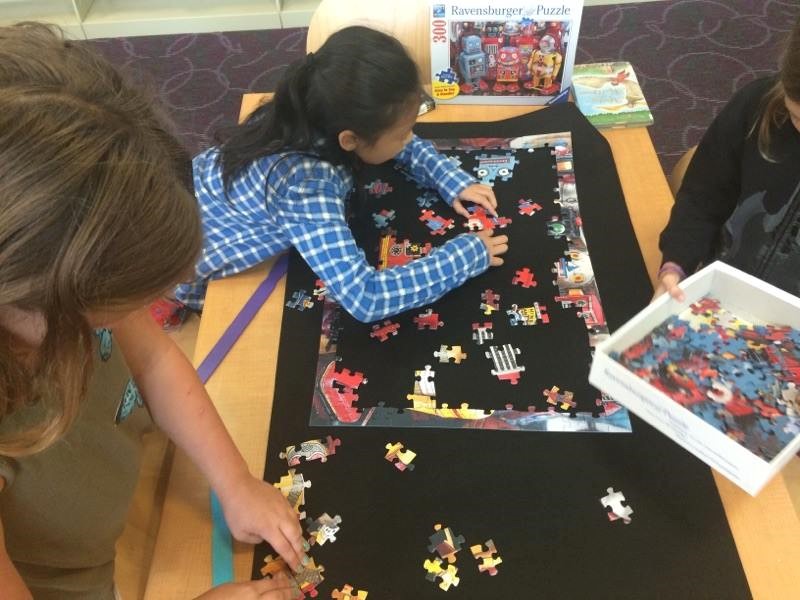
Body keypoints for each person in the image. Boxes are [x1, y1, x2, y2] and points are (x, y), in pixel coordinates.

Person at [0, 23, 304, 600]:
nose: (150, 311)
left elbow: (156, 357)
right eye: (119, 305)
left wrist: (234, 482)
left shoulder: (50, 282)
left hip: (127, 475)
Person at [175, 26, 509, 322]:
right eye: (403, 132)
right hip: (189, 265)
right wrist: (464, 257)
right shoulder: (306, 189)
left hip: (192, 190)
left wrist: (445, 175)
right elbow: (365, 298)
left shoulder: (313, 104)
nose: (410, 139)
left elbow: (390, 134)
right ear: (349, 139)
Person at [656, 17, 800, 302]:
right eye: (796, 116)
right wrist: (676, 263)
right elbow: (701, 197)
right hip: (719, 292)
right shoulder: (757, 104)